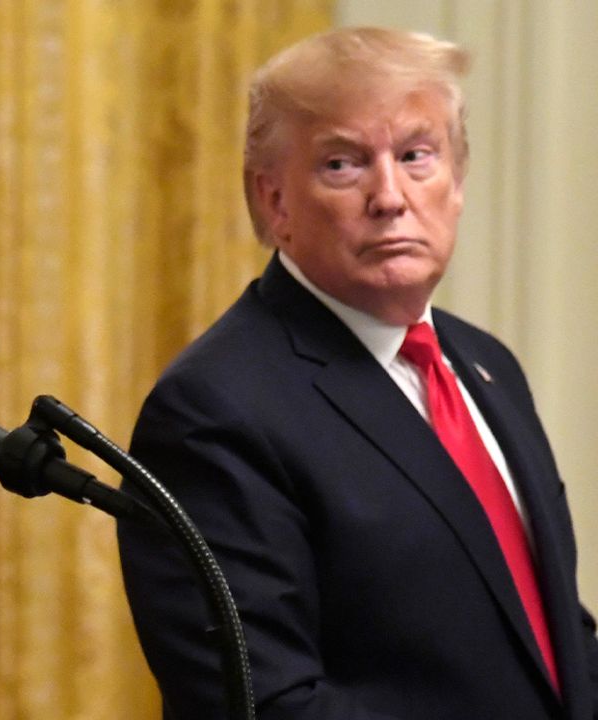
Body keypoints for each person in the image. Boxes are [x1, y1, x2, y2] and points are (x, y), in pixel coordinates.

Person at [117, 27, 598, 719]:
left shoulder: (488, 364)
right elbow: (268, 703)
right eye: (343, 164)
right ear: (275, 201)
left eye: (416, 156)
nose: (390, 196)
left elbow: (549, 638)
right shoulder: (213, 410)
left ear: (458, 182)